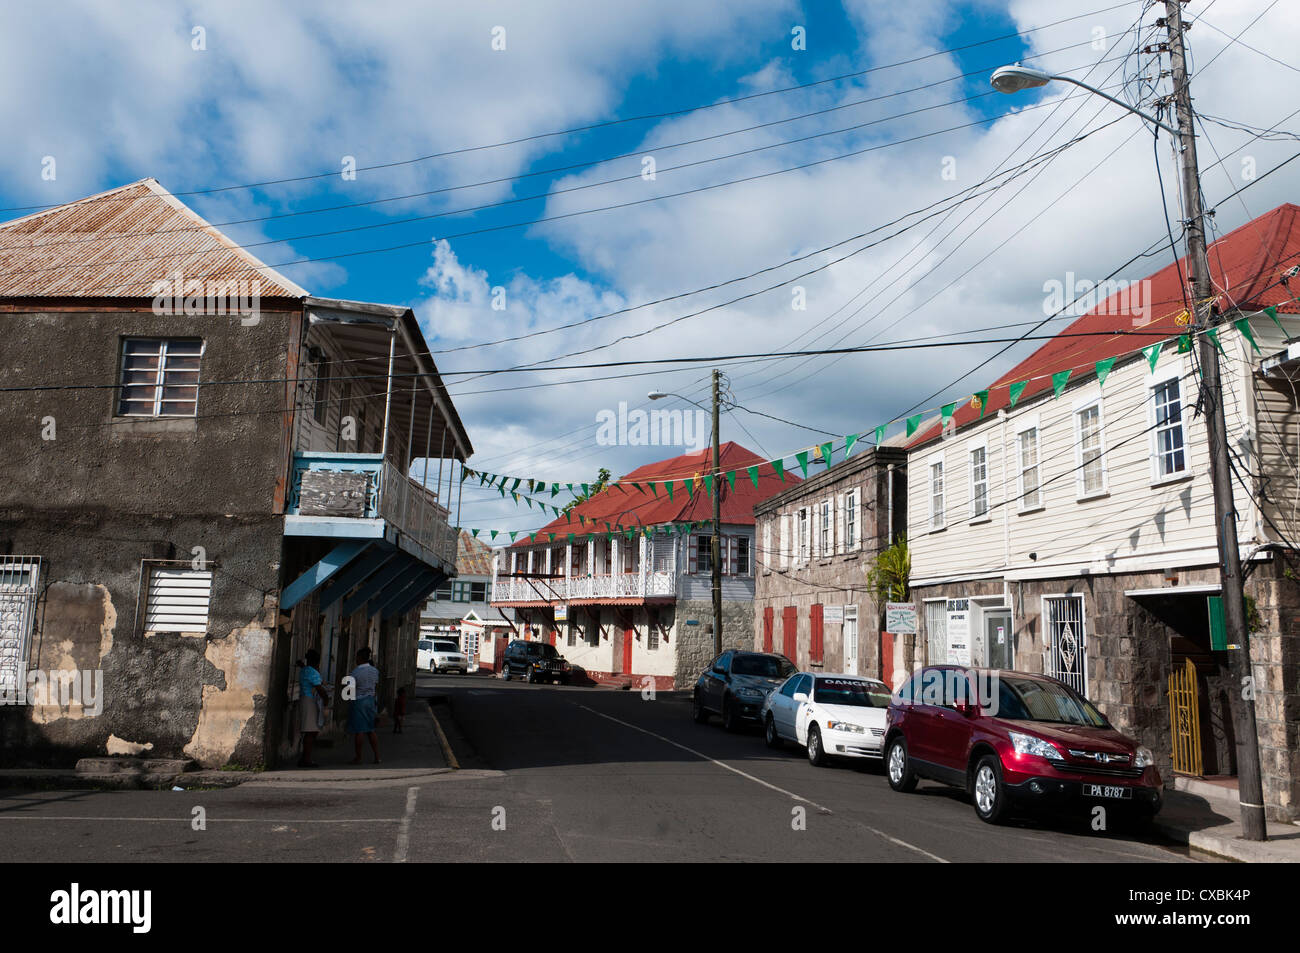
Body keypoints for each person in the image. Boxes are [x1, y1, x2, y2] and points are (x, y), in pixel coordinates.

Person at [347, 647, 381, 764]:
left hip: (359, 701)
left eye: (356, 657)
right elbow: (375, 687)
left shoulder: (355, 672)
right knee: (371, 730)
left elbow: (350, 691)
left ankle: (358, 757)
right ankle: (377, 756)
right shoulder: (375, 671)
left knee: (359, 730)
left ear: (360, 658)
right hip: (370, 700)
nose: (355, 659)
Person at [297, 649, 330, 768]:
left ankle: (305, 757)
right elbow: (320, 688)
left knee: (310, 731)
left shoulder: (305, 670)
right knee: (311, 731)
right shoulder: (312, 672)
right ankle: (307, 759)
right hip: (310, 701)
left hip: (305, 699)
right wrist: (326, 700)